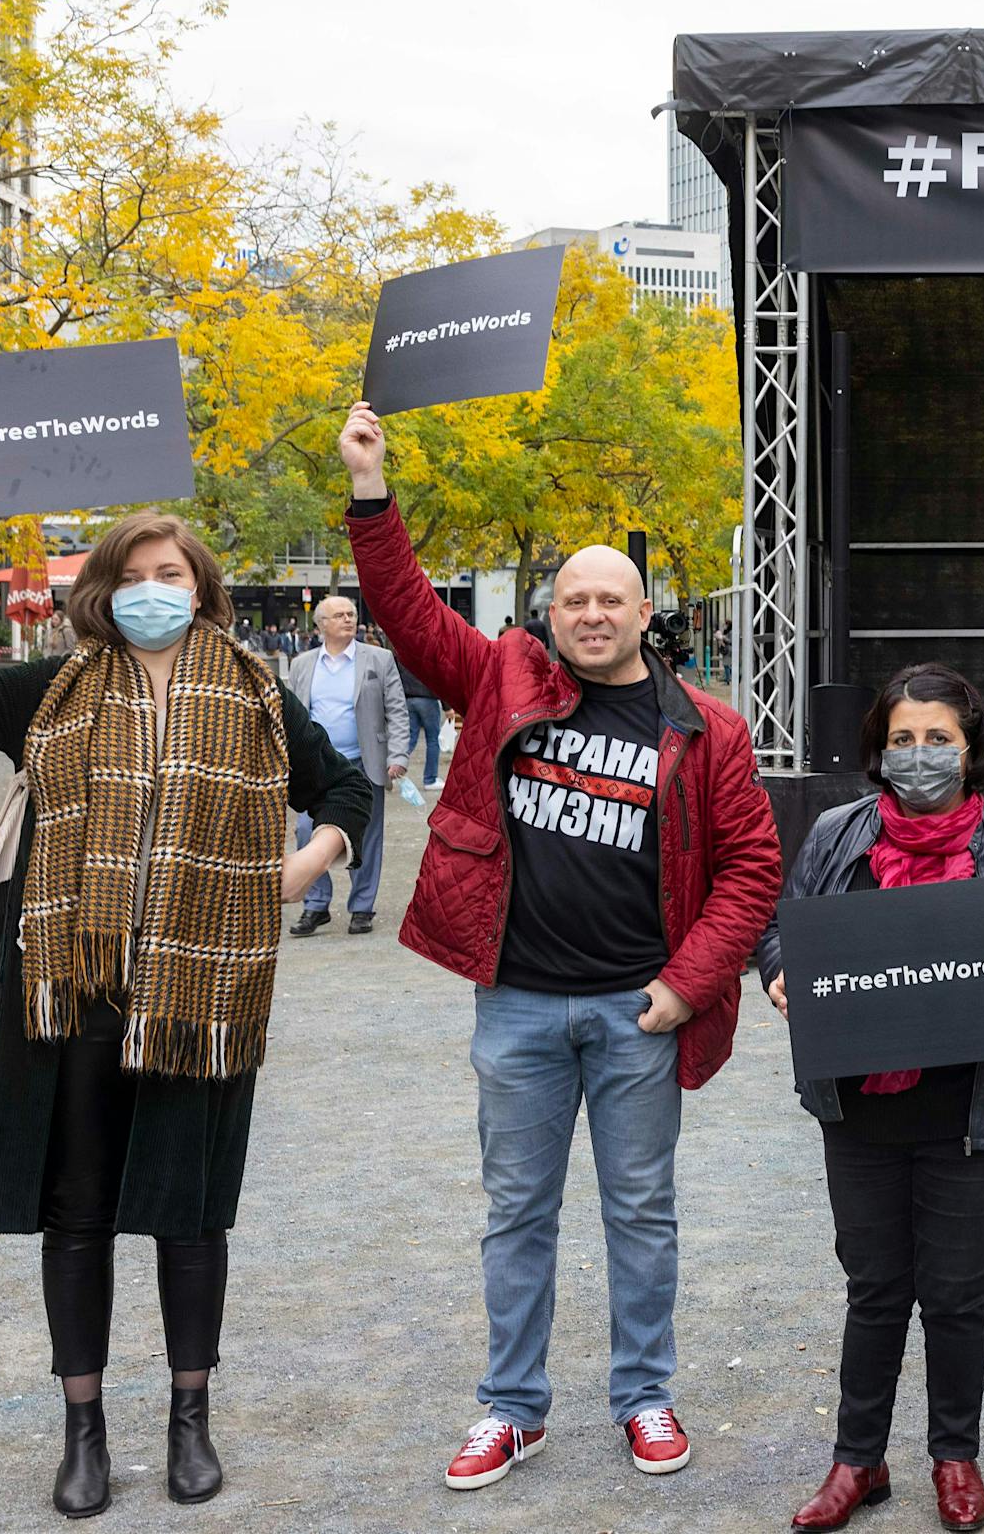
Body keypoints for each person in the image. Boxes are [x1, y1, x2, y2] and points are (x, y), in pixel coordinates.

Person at [335, 403, 783, 1491]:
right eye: (572, 599)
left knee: (640, 1211)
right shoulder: (501, 681)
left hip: (640, 1009)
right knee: (516, 1212)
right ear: (550, 613)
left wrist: (685, 985)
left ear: (645, 612)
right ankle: (512, 1406)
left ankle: (643, 1396)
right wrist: (368, 488)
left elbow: (751, 868)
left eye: (608, 598)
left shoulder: (705, 728)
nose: (590, 613)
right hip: (520, 1005)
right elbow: (401, 607)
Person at [0, 497, 371, 1518]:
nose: (154, 590)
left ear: (201, 588)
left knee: (189, 1214)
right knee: (79, 1213)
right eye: (135, 573)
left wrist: (310, 858)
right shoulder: (49, 688)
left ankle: (191, 1417)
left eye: (173, 574)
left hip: (201, 992)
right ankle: (83, 1427)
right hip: (74, 990)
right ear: (105, 587)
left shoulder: (254, 692)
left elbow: (347, 789)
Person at [757, 665, 984, 1532]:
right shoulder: (834, 835)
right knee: (872, 1289)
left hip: (976, 1113)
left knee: (956, 1293)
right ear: (879, 749)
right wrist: (784, 974)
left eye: (939, 738)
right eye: (903, 739)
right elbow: (781, 930)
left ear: (971, 747)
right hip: (860, 1107)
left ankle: (954, 1457)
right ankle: (856, 1463)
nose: (920, 754)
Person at [286, 595, 409, 938]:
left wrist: (397, 755)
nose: (348, 619)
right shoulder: (302, 664)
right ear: (321, 624)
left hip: (364, 762)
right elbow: (291, 717)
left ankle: (361, 907)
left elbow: (396, 710)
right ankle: (316, 904)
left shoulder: (379, 659)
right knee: (305, 832)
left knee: (366, 837)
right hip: (317, 765)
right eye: (338, 615)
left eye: (351, 614)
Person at [399, 653, 445, 789]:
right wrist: (447, 707)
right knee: (432, 739)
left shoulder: (402, 653)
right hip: (428, 698)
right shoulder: (428, 654)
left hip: (409, 698)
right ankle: (430, 779)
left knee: (410, 738)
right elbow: (439, 679)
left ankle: (392, 767)